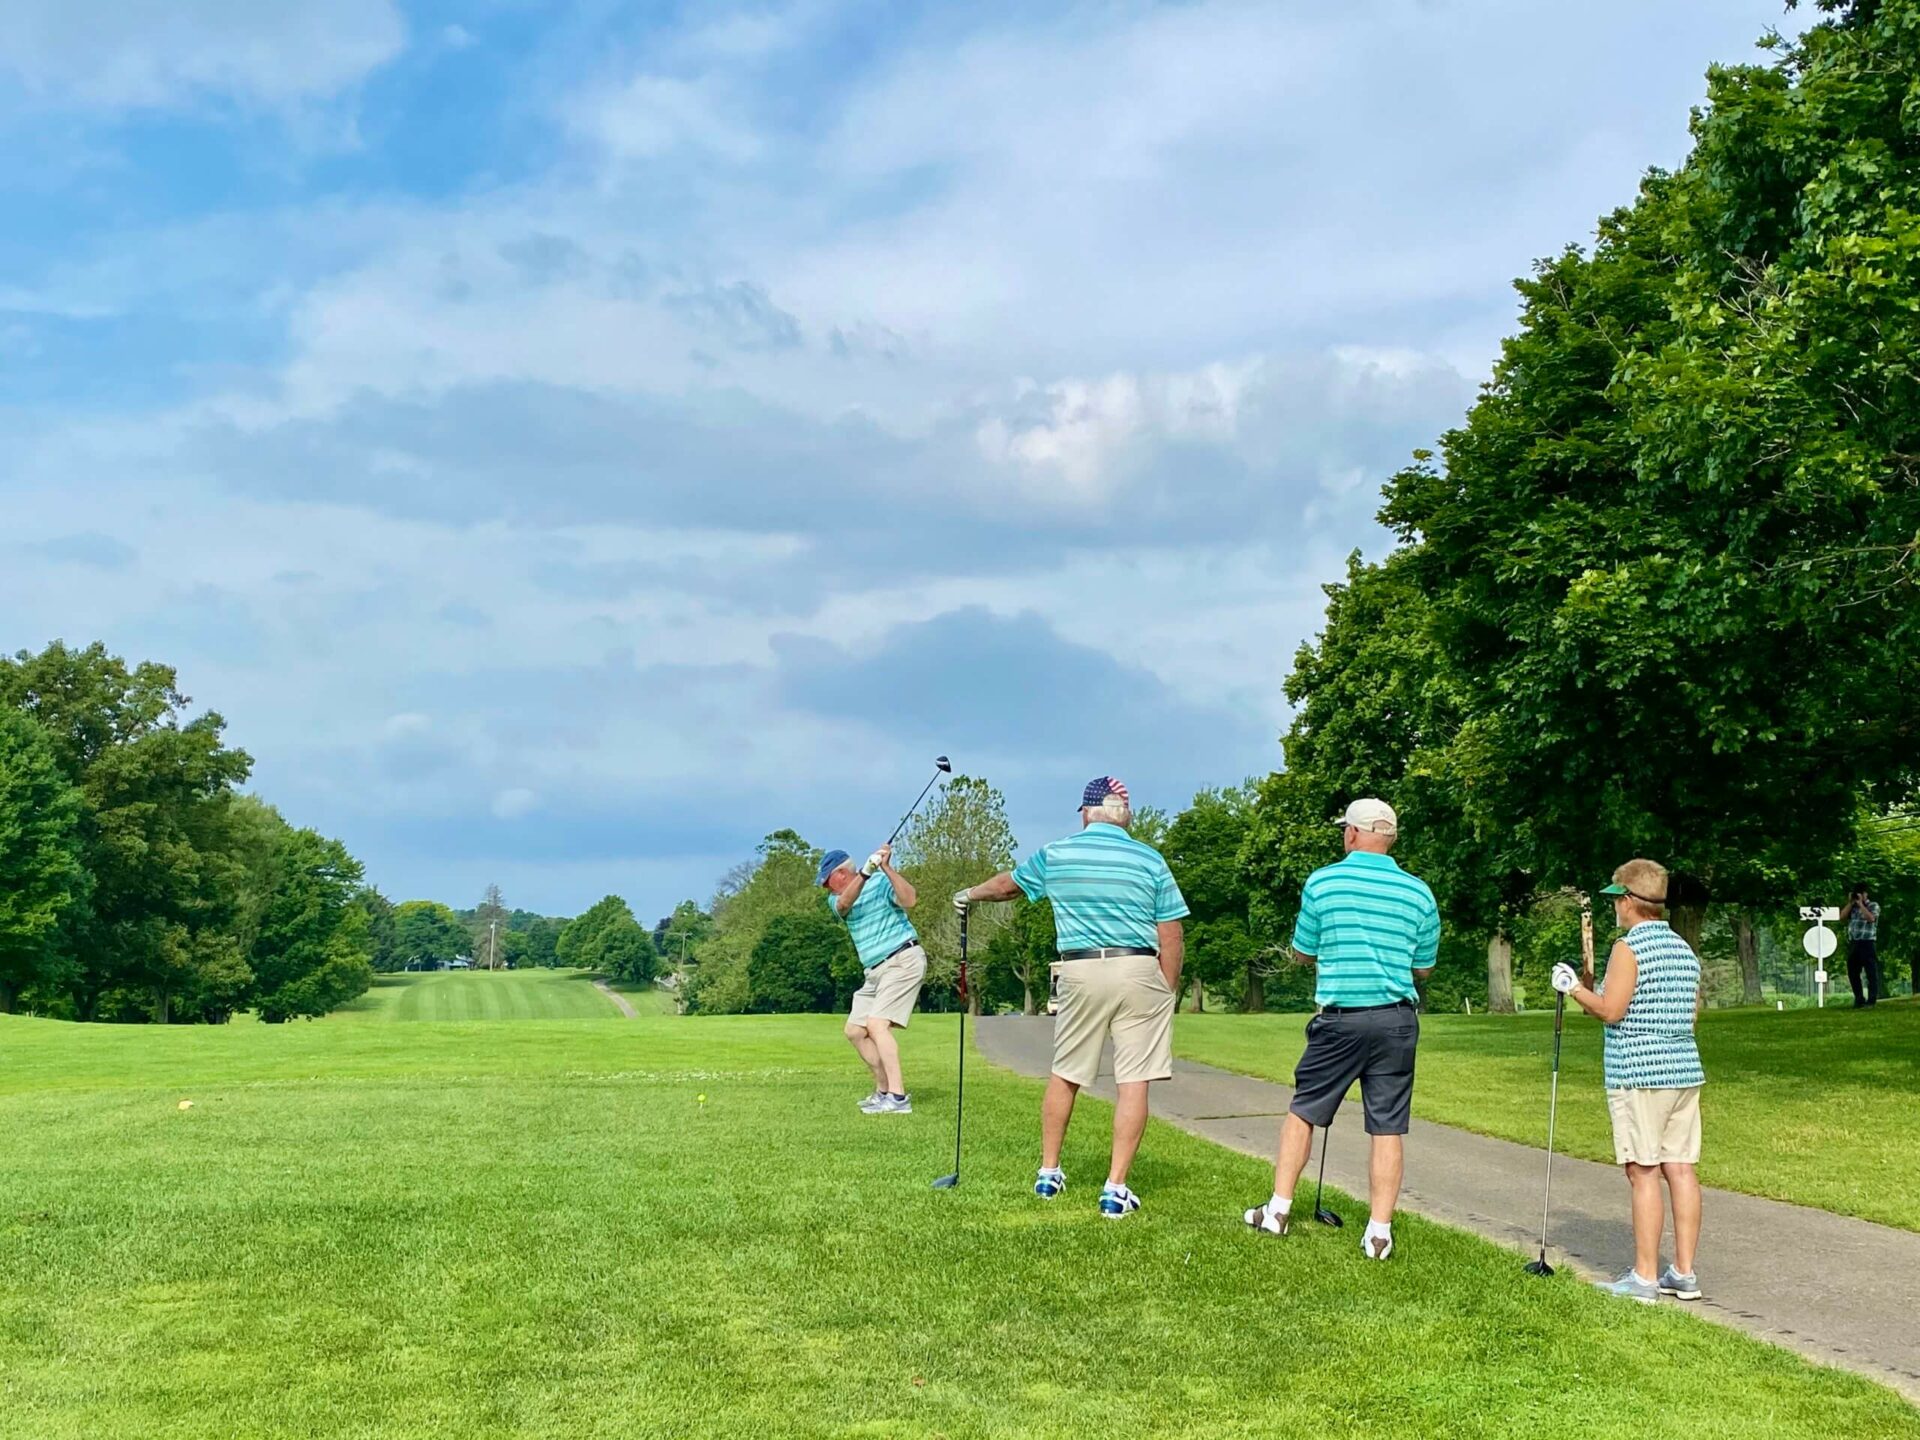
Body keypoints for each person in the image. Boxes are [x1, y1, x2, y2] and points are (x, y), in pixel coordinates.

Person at [953, 777, 1187, 1218]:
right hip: (1138, 967)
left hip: (1079, 968)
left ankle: (1048, 1172)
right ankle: (1115, 1190)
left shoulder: (1058, 853)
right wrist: (1166, 987)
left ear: (1086, 812)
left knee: (1066, 1072)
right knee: (1133, 1081)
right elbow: (1171, 932)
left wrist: (969, 895)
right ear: (1125, 814)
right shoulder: (1150, 858)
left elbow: (1008, 886)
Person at [1242, 798, 1437, 1260]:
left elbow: (1303, 951)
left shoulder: (1324, 881)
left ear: (1352, 834)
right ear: (1390, 838)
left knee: (1304, 1109)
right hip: (1396, 1020)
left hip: (1341, 1018)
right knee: (1387, 1126)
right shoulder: (1418, 892)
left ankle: (1278, 1211)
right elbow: (1423, 967)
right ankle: (1379, 1234)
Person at [1551, 858, 1704, 1305]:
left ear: (1631, 902)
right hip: (1682, 1069)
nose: (1614, 906)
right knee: (1681, 1168)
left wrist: (1572, 988)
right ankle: (1684, 1273)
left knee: (1643, 1170)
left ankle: (1644, 1278)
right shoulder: (1682, 948)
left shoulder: (1628, 947)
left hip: (1638, 1071)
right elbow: (1690, 1013)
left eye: (1617, 898)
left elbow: (1612, 1010)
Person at [819, 843, 925, 1115]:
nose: (826, 889)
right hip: (874, 972)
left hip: (902, 960)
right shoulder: (837, 899)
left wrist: (887, 868)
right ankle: (883, 1090)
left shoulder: (880, 883)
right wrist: (865, 873)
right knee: (854, 1030)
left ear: (841, 874)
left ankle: (898, 1098)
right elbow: (844, 905)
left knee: (877, 1025)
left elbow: (910, 900)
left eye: (827, 881)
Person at [1839, 885, 1883, 1008]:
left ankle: (1872, 1000)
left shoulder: (1873, 905)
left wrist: (1861, 905)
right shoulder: (1852, 908)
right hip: (1854, 942)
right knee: (1853, 972)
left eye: (1859, 894)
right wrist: (1850, 903)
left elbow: (1871, 918)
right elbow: (1842, 917)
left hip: (1867, 942)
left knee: (1871, 973)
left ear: (1865, 894)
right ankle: (1859, 998)